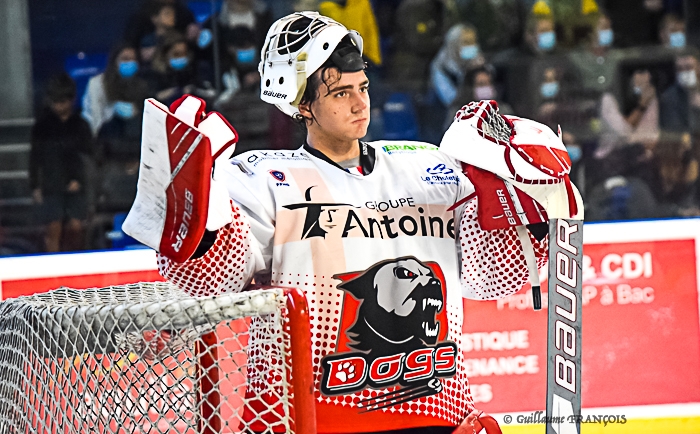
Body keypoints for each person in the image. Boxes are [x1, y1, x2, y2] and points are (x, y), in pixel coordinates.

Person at [123, 12, 580, 434]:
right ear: (302, 105)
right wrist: (200, 222)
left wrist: (523, 207)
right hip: (307, 416)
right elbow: (211, 284)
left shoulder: (430, 167)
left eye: (362, 87)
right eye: (341, 93)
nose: (360, 103)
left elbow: (491, 278)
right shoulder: (260, 177)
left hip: (435, 411)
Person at [30, 73, 93, 252]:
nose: (59, 106)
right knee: (53, 228)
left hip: (78, 187)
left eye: (63, 101)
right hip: (51, 184)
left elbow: (88, 157)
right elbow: (35, 158)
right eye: (56, 101)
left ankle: (75, 263)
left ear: (71, 100)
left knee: (76, 228)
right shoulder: (42, 127)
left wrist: (79, 180)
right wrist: (35, 185)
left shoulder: (81, 125)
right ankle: (52, 267)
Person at [82, 43, 150, 137]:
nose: (130, 63)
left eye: (134, 59)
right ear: (114, 62)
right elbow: (94, 117)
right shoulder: (97, 83)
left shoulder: (142, 85)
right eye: (125, 59)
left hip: (134, 138)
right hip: (106, 137)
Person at [660, 53, 700, 134]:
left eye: (689, 68)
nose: (684, 73)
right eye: (680, 69)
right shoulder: (669, 97)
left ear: (698, 67)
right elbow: (675, 131)